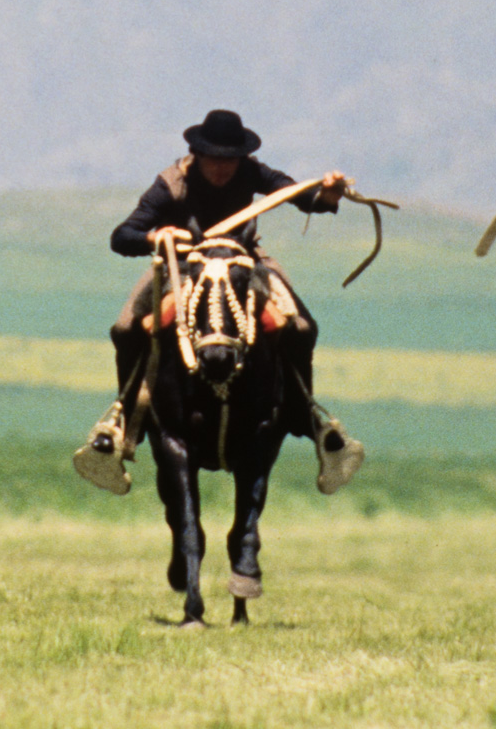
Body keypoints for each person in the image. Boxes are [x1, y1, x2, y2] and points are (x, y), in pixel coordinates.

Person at [74, 109, 364, 494]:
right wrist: (155, 238)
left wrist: (326, 194)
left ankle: (308, 417)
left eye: (231, 159)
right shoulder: (172, 182)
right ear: (198, 155)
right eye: (216, 159)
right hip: (184, 269)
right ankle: (123, 422)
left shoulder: (252, 171)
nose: (224, 168)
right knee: (126, 328)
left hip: (246, 266)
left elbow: (300, 195)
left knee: (302, 327)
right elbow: (122, 235)